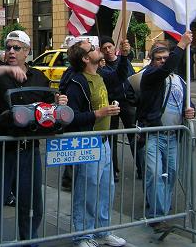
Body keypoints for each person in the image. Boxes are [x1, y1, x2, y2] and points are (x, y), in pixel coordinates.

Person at [0, 30, 67, 245]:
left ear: (27, 51)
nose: (12, 51)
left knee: (31, 203)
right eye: (8, 47)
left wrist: (58, 104)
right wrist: (6, 69)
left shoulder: (39, 77)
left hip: (28, 150)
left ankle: (29, 241)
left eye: (17, 48)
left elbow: (47, 108)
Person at [59, 39, 130, 247]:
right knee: (87, 190)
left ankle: (102, 231)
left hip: (103, 141)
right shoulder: (76, 83)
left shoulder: (100, 75)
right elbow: (70, 117)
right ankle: (83, 236)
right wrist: (99, 113)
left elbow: (119, 77)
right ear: (85, 58)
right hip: (87, 143)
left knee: (106, 189)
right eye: (92, 48)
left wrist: (124, 56)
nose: (97, 49)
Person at [137, 32, 196, 232]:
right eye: (158, 58)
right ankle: (157, 216)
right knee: (154, 173)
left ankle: (162, 206)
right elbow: (165, 69)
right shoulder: (150, 76)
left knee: (170, 174)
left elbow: (188, 102)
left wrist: (192, 110)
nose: (162, 61)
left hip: (172, 137)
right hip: (154, 135)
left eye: (165, 58)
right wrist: (181, 44)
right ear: (152, 61)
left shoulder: (179, 80)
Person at [99, 36, 142, 182]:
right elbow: (116, 77)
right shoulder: (101, 67)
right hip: (111, 104)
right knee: (112, 137)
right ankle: (113, 170)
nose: (108, 50)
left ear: (114, 47)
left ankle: (141, 167)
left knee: (134, 136)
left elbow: (131, 77)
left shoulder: (125, 62)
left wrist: (133, 96)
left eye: (109, 47)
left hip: (127, 103)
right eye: (104, 48)